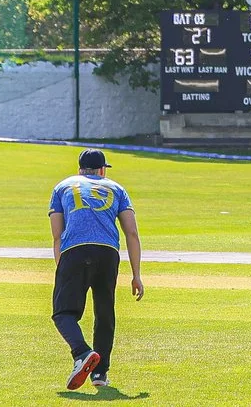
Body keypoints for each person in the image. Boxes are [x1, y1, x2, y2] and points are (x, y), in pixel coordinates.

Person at [50, 149, 144, 391]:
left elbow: (57, 236)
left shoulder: (63, 187)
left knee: (63, 313)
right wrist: (136, 275)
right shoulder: (116, 188)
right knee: (104, 313)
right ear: (102, 170)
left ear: (79, 169)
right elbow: (131, 233)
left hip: (75, 250)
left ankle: (82, 353)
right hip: (107, 253)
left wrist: (62, 267)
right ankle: (100, 373)